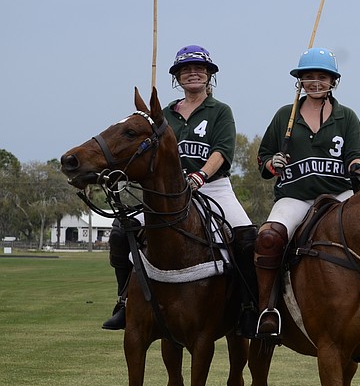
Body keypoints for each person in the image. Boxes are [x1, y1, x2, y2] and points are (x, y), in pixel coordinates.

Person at [103, 45, 259, 336]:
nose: (193, 73)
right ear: (177, 77)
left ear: (209, 75)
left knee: (247, 238)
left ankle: (248, 309)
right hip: (166, 194)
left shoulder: (220, 111)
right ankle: (124, 300)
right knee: (120, 233)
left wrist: (200, 176)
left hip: (212, 187)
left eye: (199, 68)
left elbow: (223, 151)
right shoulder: (164, 116)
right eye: (186, 69)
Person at [253, 47, 360, 337]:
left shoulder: (347, 117)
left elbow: (359, 154)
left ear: (333, 81)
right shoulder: (286, 115)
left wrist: (356, 166)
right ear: (300, 81)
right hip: (295, 195)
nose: (316, 82)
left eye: (322, 76)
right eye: (309, 77)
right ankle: (267, 309)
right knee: (268, 238)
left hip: (338, 196)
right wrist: (272, 162)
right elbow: (263, 157)